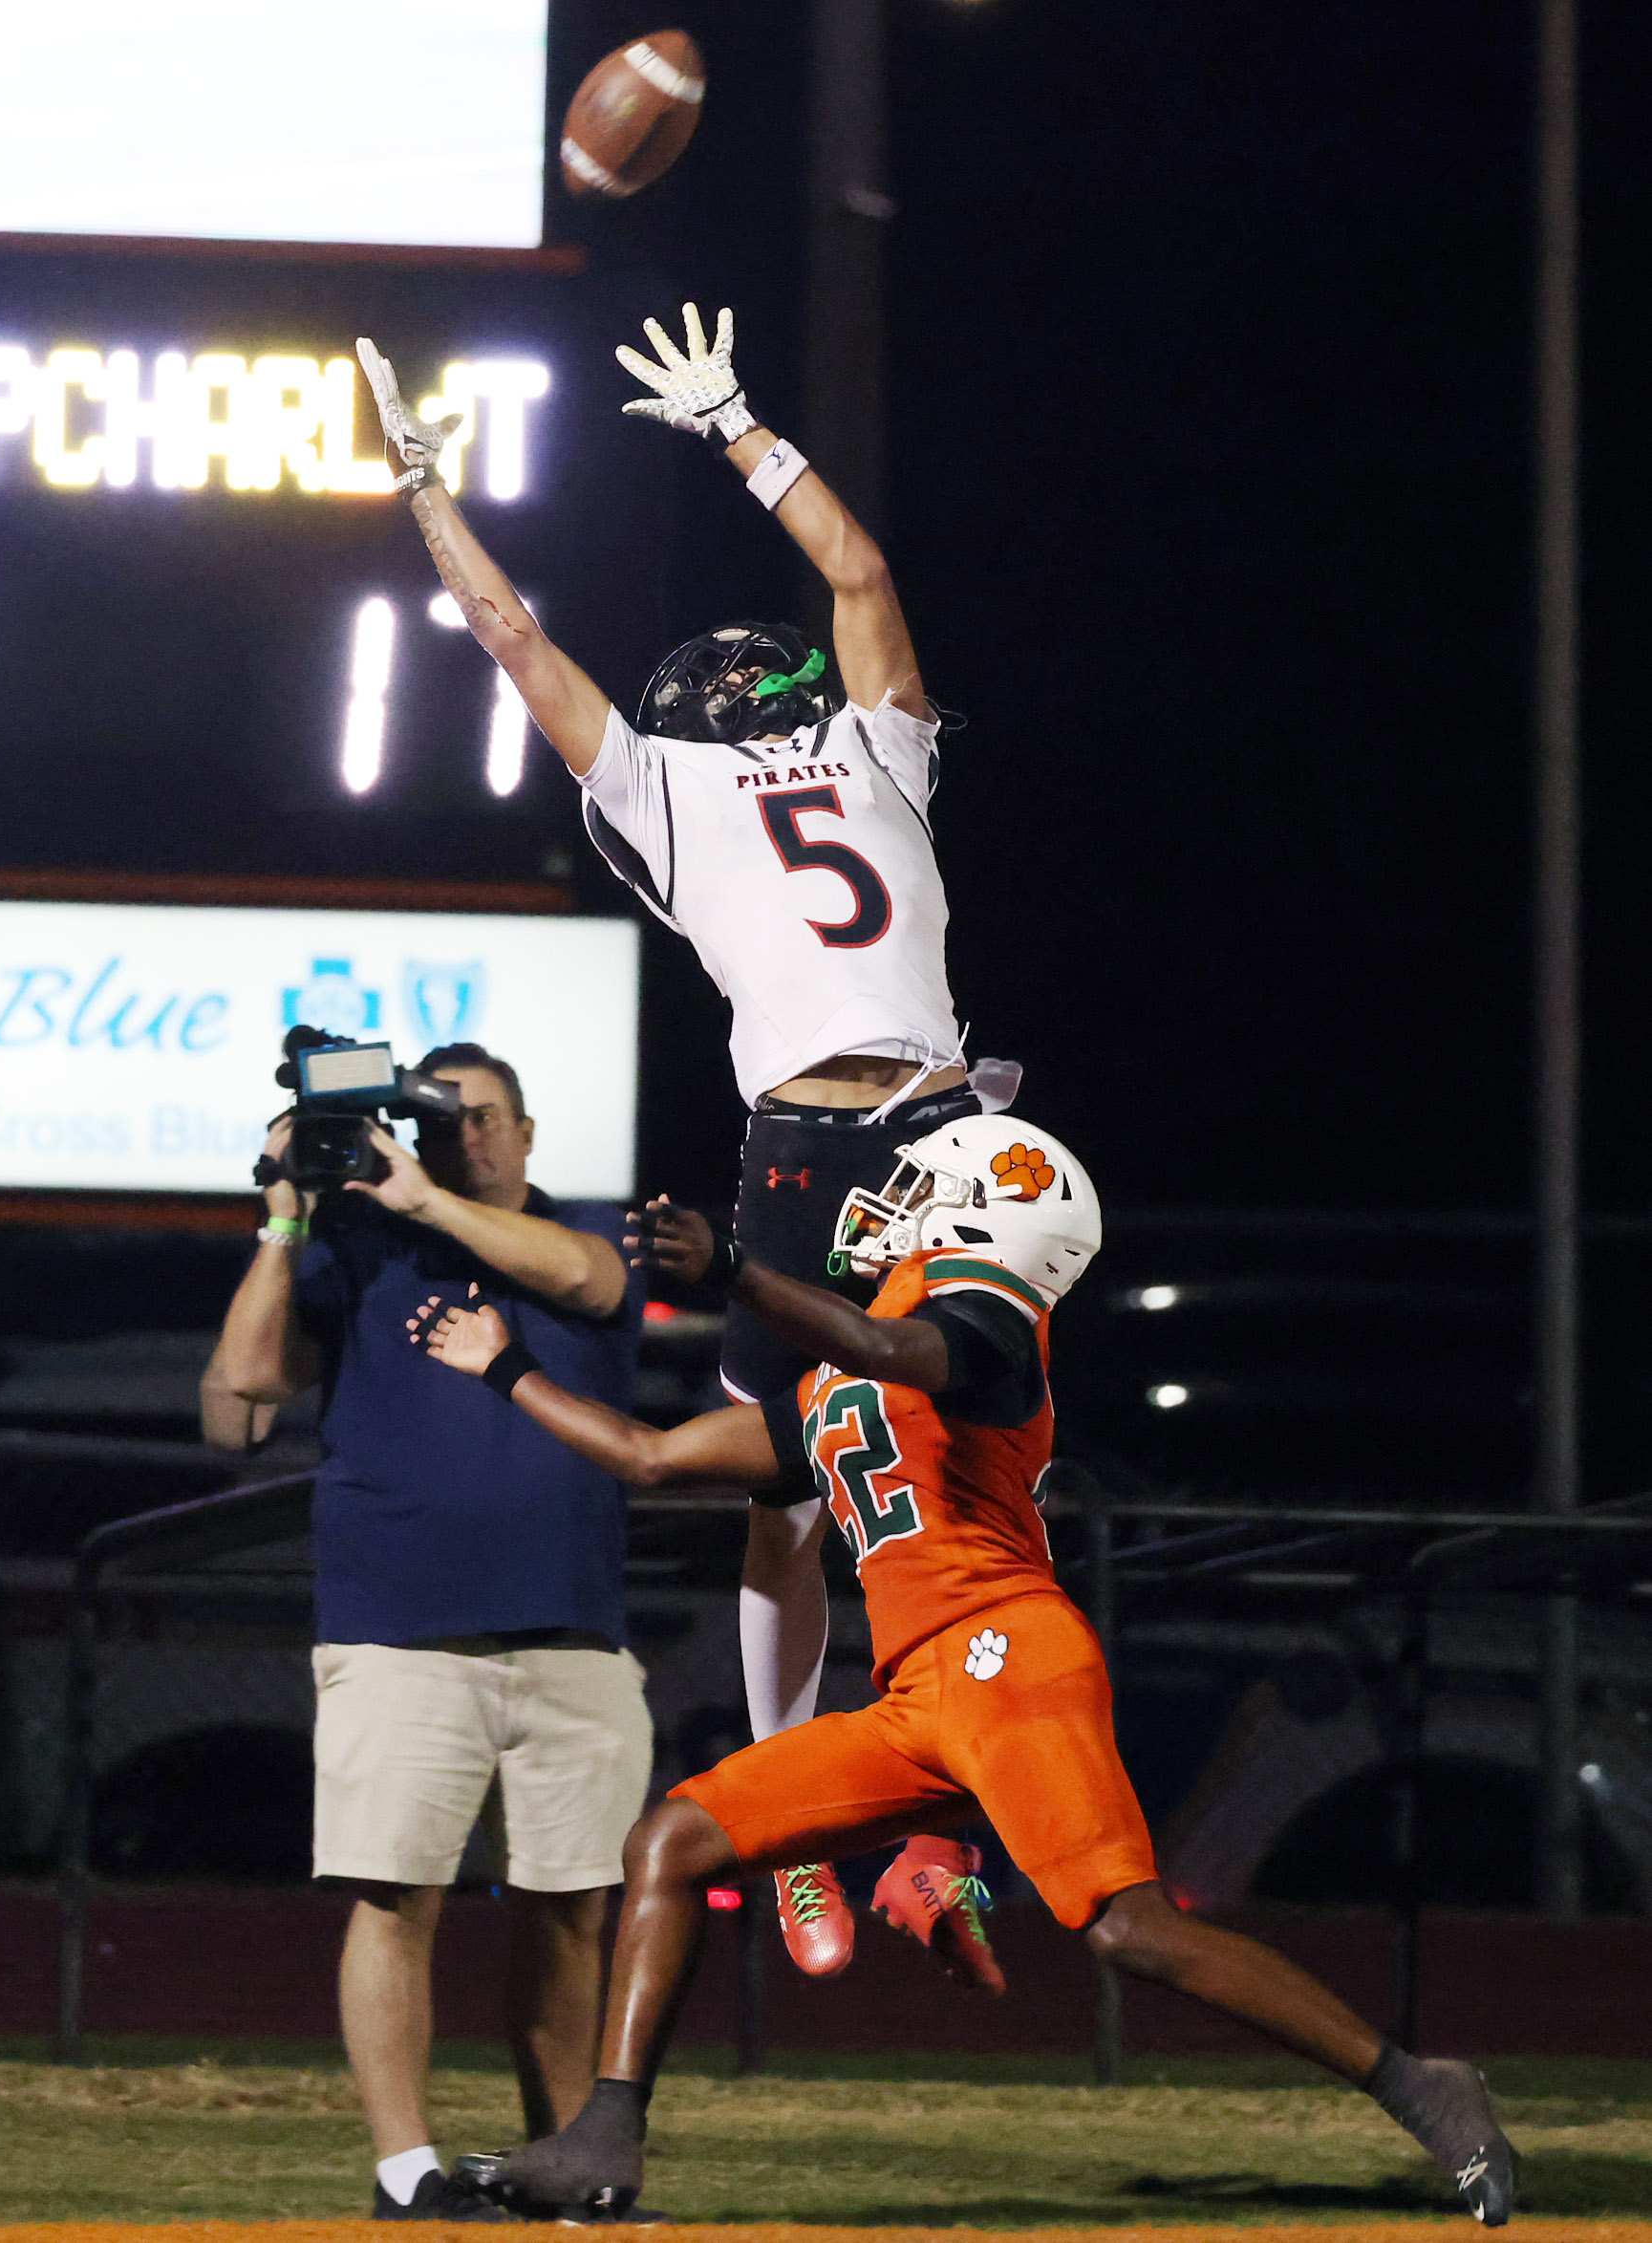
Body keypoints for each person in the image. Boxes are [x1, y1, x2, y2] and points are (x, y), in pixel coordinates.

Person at [403, 1111, 1516, 2230]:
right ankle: (605, 2136)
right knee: (671, 1842)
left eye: (911, 1187)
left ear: (976, 1210)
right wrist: (506, 1370)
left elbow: (897, 1350)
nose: (874, 1207)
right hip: (919, 1695)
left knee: (1126, 1929)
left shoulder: (989, 1315)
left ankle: (1418, 2081)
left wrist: (739, 1272)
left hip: (1006, 1658)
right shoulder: (838, 1373)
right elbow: (652, 1459)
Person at [357, 310, 1005, 1984]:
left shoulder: (667, 785)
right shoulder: (877, 746)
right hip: (931, 1131)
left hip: (829, 1141)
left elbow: (505, 631)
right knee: (938, 1476)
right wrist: (737, 426)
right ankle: (851, 1819)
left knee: (817, 1494)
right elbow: (857, 573)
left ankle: (878, 1819)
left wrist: (424, 486)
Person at [202, 1042, 652, 2222]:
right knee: (395, 1898)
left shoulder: (585, 1224)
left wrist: (425, 1195)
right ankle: (407, 2172)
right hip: (398, 1627)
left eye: (490, 1118)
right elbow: (237, 1406)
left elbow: (595, 1282)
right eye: (444, 1123)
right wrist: (285, 1219)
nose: (471, 1139)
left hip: (572, 1630)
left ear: (530, 1130)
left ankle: (568, 2167)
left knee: (572, 1908)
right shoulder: (361, 1249)